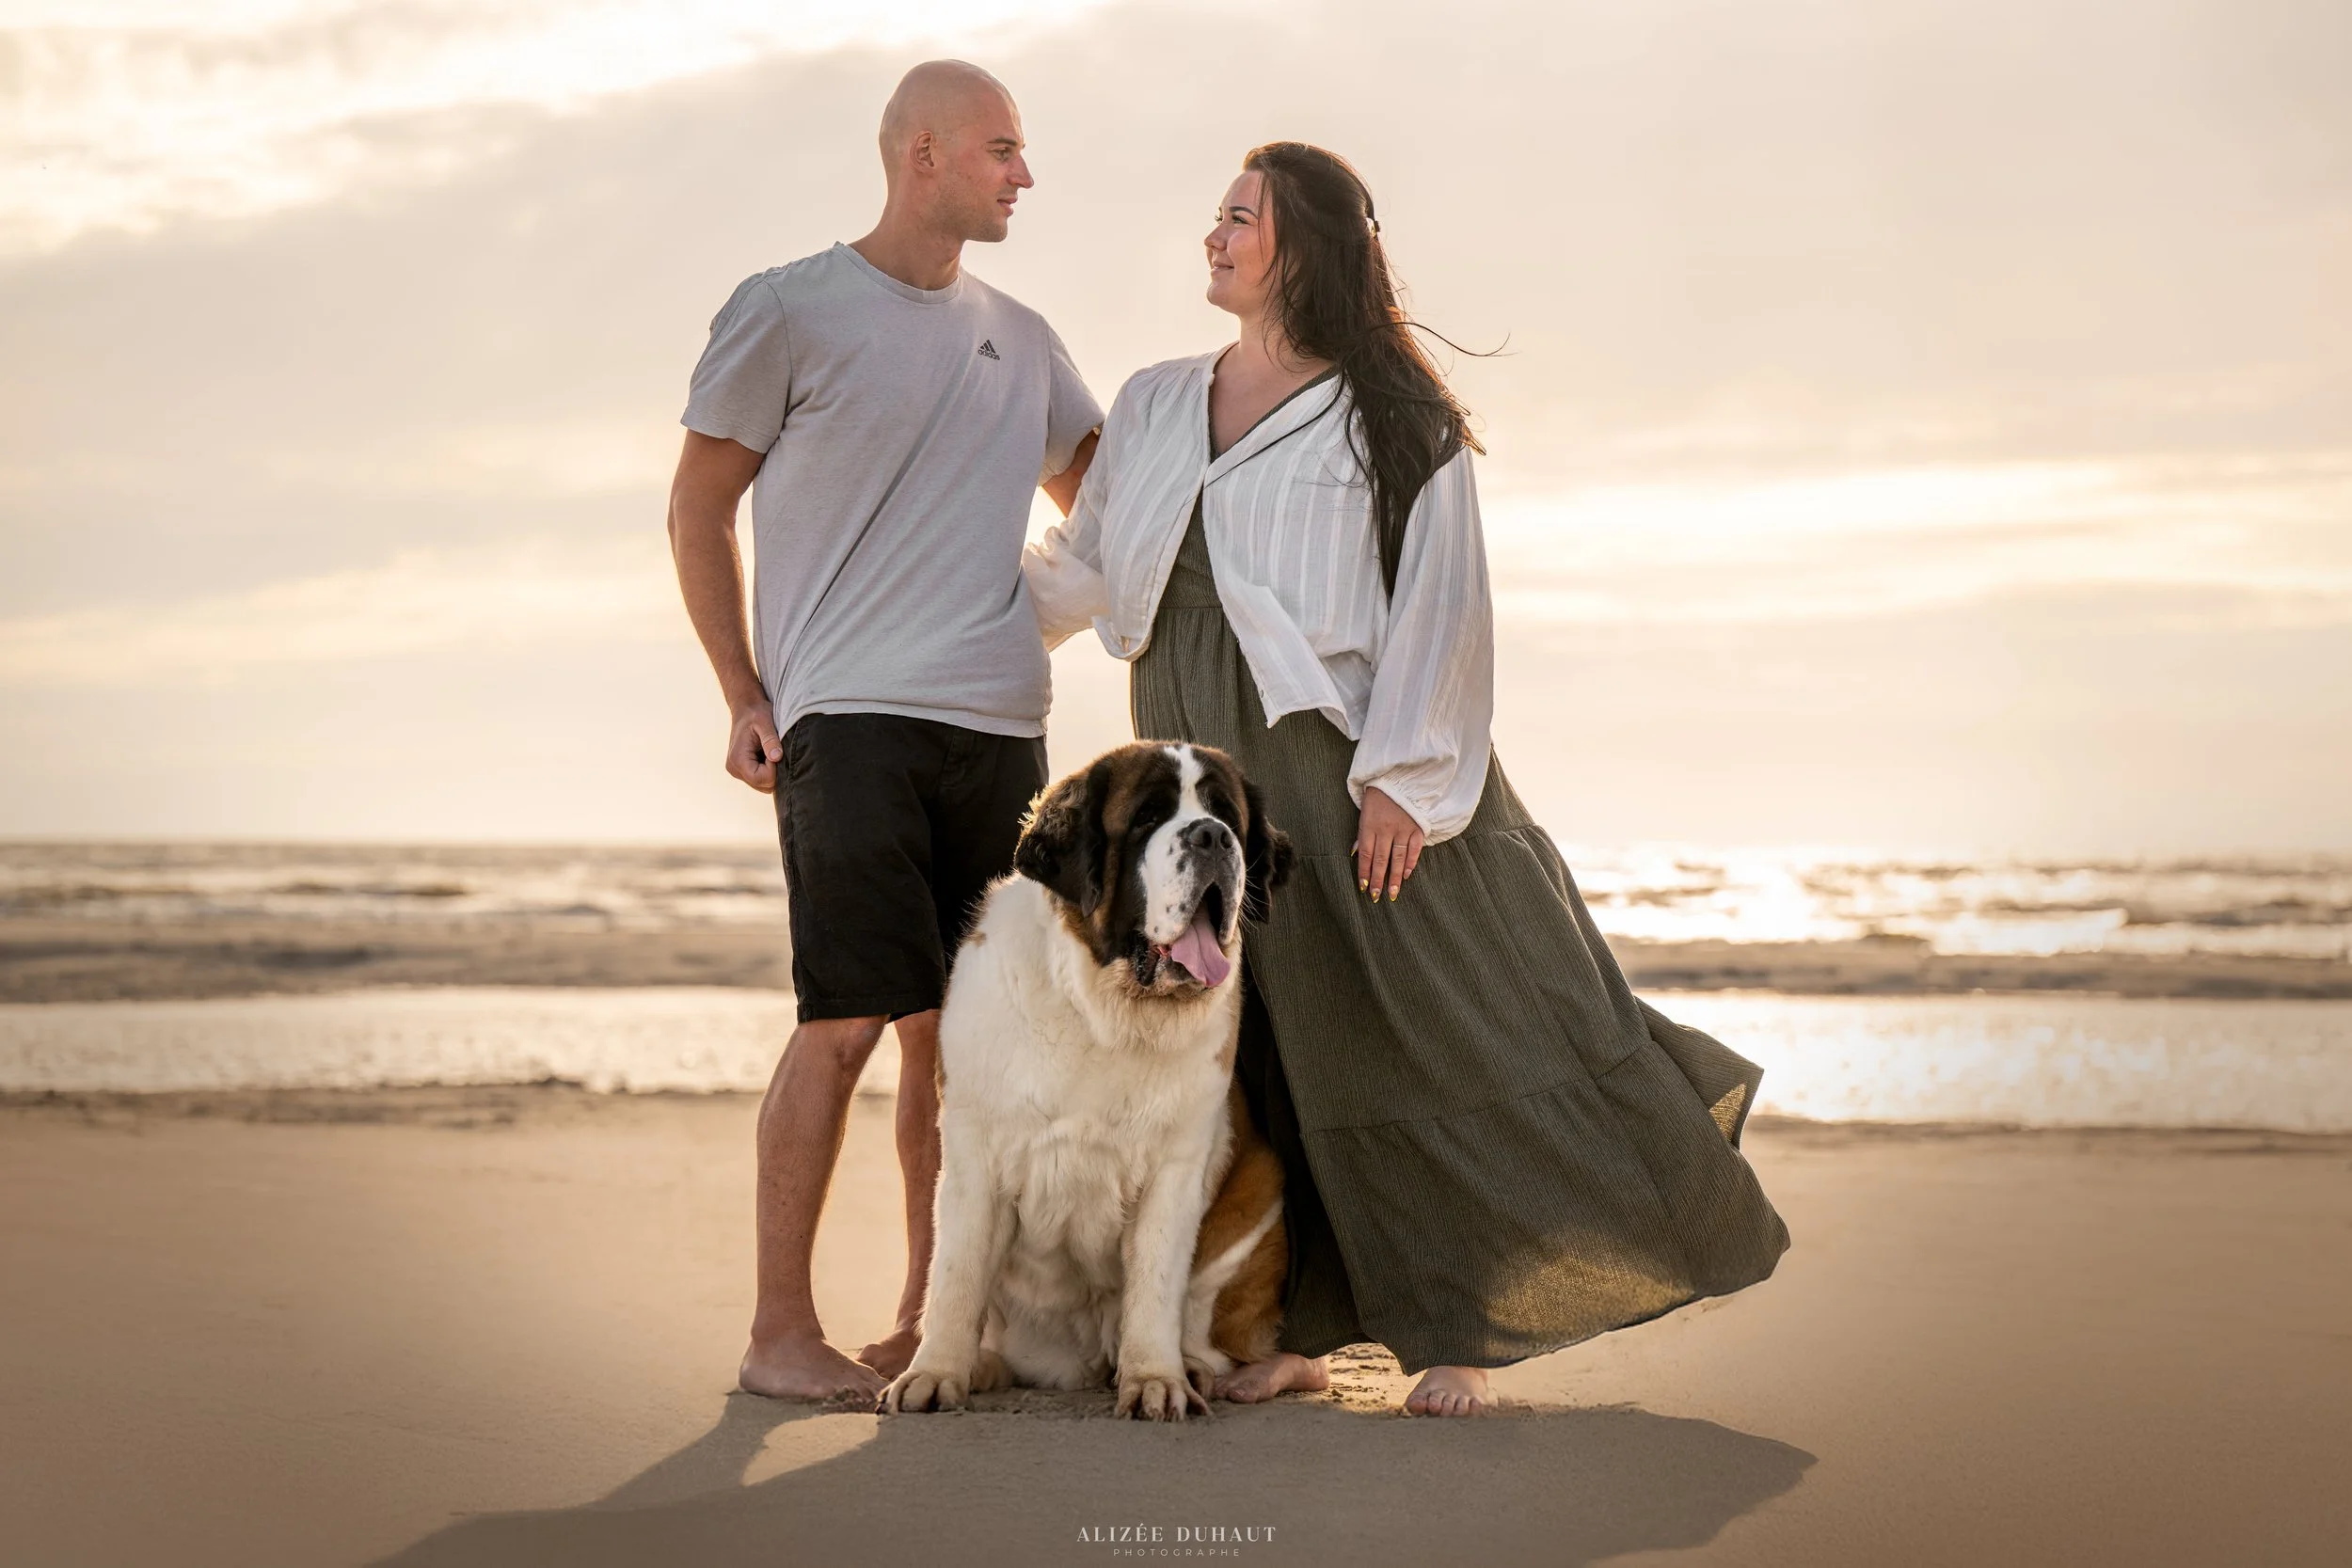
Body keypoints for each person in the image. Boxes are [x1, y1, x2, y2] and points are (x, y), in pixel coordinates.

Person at [1024, 142, 1788, 1417]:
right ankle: (1294, 1328)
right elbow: (1084, 566)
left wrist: (1404, 782)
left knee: (1420, 1030)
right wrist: (935, 634)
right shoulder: (1158, 402)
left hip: (1342, 772)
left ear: (1304, 246)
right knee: (1261, 1048)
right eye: (1215, 217)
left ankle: (1465, 1328)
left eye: (1238, 218)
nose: (1212, 238)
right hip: (1196, 782)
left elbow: (1443, 606)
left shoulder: (1395, 416)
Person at [668, 60, 1103, 1402]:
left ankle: (934, 1312)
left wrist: (1044, 605)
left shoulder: (1024, 339)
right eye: (1001, 150)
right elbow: (697, 510)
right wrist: (744, 689)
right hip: (845, 722)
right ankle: (778, 1332)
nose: (1023, 175)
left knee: (960, 1040)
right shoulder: (787, 309)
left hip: (997, 726)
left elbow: (1107, 500)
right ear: (922, 155)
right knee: (847, 1020)